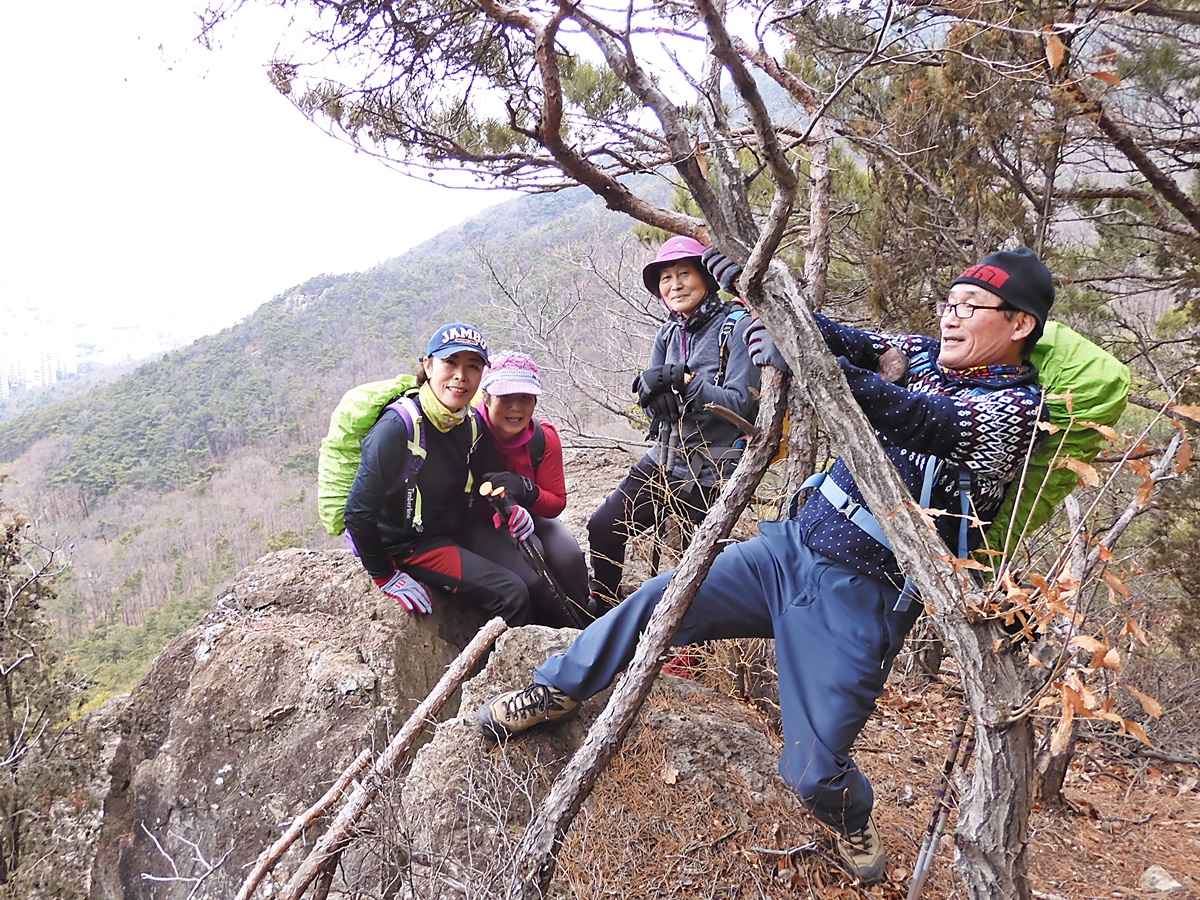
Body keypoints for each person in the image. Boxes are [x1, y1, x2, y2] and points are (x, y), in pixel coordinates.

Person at [476, 248, 1055, 885]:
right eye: (950, 303)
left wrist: (813, 363)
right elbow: (836, 333)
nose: (950, 317)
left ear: (1019, 324)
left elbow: (919, 420)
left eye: (970, 307)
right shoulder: (919, 354)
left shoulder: (1016, 412)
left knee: (812, 772)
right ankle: (559, 688)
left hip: (862, 595)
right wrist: (758, 293)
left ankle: (850, 813)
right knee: (660, 600)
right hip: (789, 550)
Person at [586, 235, 760, 610]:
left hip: (715, 469)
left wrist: (687, 385)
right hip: (666, 459)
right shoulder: (669, 332)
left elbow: (743, 405)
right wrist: (654, 397)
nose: (675, 285)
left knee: (700, 567)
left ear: (706, 277)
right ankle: (605, 614)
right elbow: (652, 404)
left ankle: (698, 640)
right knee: (603, 527)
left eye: (684, 273)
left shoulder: (737, 327)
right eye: (666, 278)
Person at [343, 322, 539, 626]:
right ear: (428, 366)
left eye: (473, 366)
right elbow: (357, 512)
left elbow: (487, 476)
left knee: (534, 576)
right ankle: (498, 658)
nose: (461, 375)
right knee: (513, 594)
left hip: (454, 526)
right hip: (411, 544)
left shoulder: (470, 422)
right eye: (450, 362)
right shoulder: (397, 429)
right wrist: (384, 575)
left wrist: (509, 506)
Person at [474, 351, 591, 626]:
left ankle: (585, 619)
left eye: (525, 397)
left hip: (529, 515)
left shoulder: (543, 437)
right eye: (505, 397)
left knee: (569, 557)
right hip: (480, 523)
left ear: (535, 401)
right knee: (532, 558)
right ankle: (546, 630)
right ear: (486, 397)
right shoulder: (468, 433)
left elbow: (556, 502)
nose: (515, 408)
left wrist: (526, 490)